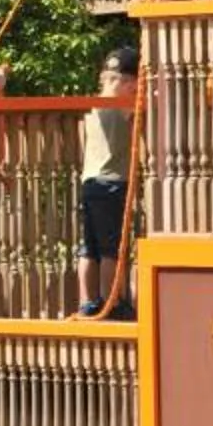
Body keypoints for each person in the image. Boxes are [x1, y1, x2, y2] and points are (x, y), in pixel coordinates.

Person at [76, 46, 139, 319]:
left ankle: (87, 301)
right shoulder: (122, 105)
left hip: (90, 181)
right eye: (134, 83)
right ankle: (109, 302)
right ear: (126, 82)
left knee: (88, 246)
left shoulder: (92, 106)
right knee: (110, 249)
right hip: (112, 184)